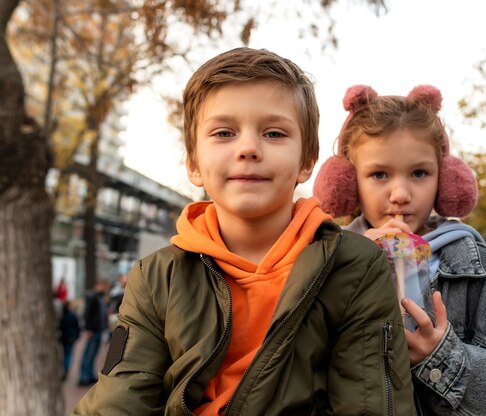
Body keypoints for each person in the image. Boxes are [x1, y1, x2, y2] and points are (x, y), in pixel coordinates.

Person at [73, 48, 415, 415]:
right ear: (193, 164)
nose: (249, 148)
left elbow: (370, 406)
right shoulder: (156, 279)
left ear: (307, 160)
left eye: (273, 133)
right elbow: (119, 402)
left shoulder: (355, 267)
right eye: (224, 133)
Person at [313, 84, 486, 415]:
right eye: (379, 174)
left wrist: (443, 357)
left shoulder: (479, 269)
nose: (400, 194)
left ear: (445, 181)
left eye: (419, 173)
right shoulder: (326, 262)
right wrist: (347, 272)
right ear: (350, 182)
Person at [78, 278, 109, 386]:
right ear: (100, 285)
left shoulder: (100, 297)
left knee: (93, 353)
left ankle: (89, 375)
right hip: (93, 330)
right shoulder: (92, 297)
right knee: (88, 354)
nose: (106, 289)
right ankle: (83, 377)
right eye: (105, 286)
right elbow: (87, 314)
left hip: (98, 329)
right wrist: (88, 329)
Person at [59, 299, 81, 381]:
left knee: (66, 354)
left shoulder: (63, 315)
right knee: (68, 355)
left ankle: (65, 369)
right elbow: (77, 326)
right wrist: (77, 336)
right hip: (70, 337)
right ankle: (66, 369)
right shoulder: (72, 315)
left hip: (65, 338)